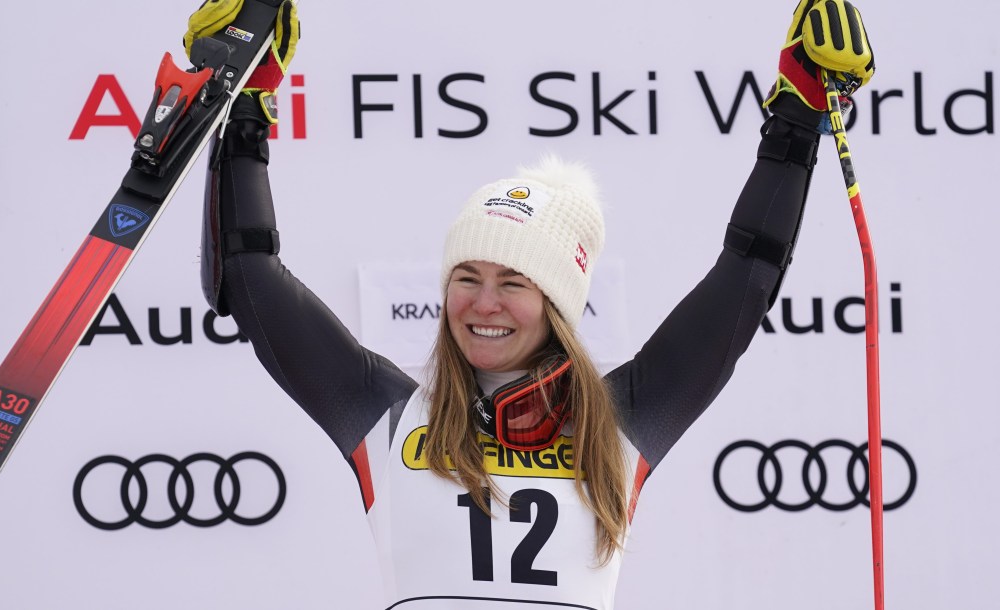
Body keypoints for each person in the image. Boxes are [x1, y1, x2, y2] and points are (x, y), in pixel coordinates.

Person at [188, 0, 875, 607]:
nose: (484, 303)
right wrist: (245, 101)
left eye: (514, 283)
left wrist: (797, 113)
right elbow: (250, 276)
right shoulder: (387, 417)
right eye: (467, 276)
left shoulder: (620, 424)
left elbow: (744, 278)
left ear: (555, 306)